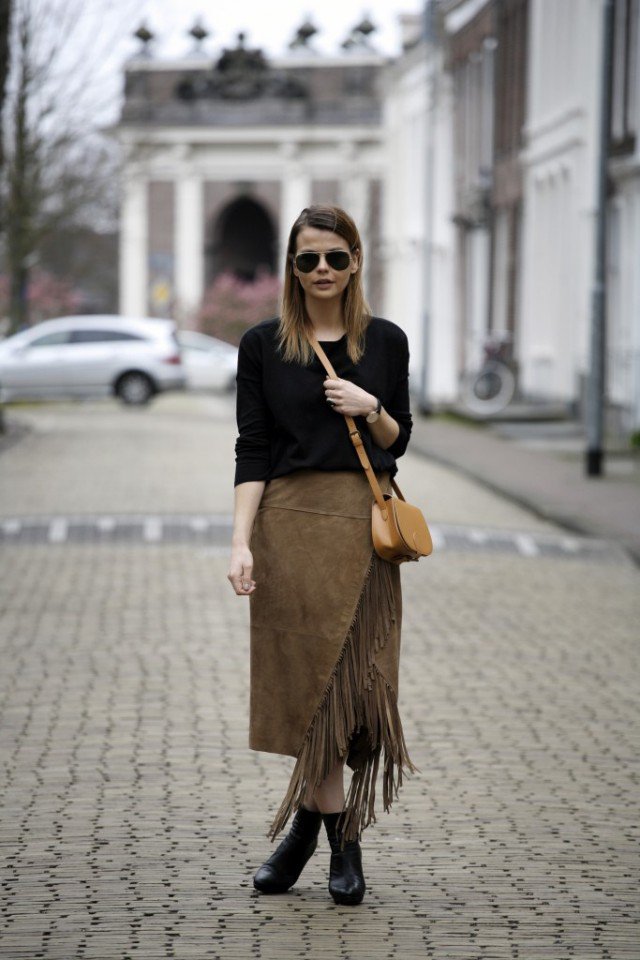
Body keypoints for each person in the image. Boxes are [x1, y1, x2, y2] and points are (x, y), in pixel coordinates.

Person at [227, 204, 415, 907]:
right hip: (291, 530)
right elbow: (253, 448)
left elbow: (398, 440)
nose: (323, 271)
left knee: (355, 689)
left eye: (336, 257)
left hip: (367, 532)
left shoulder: (387, 342)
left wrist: (370, 405)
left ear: (356, 261)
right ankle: (343, 842)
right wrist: (241, 540)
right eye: (308, 259)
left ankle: (308, 830)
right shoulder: (263, 345)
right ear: (292, 268)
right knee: (309, 694)